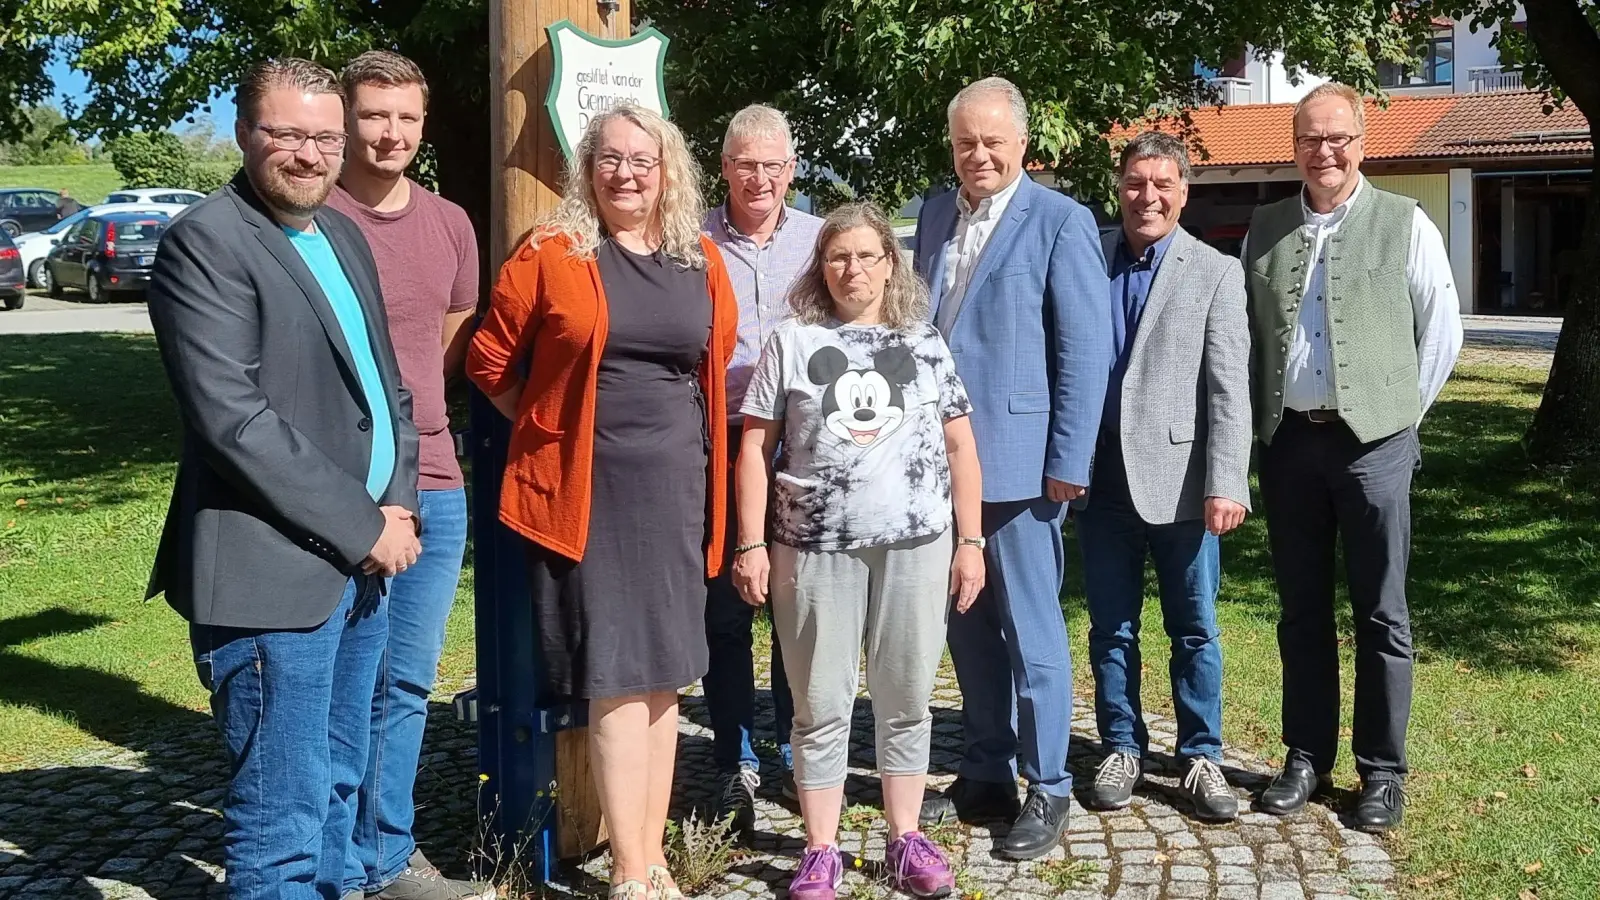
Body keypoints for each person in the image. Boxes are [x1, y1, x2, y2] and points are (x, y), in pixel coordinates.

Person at [145, 58, 421, 900]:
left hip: (363, 564)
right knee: (281, 818)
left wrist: (400, 500)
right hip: (273, 581)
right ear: (244, 133)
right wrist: (364, 522)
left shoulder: (340, 233)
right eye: (288, 134)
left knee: (339, 789)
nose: (309, 155)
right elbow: (236, 419)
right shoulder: (206, 241)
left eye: (325, 138)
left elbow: (388, 386)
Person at [466, 104, 738, 900]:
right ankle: (628, 872)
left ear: (669, 171)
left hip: (679, 489)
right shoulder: (553, 253)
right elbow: (489, 360)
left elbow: (709, 361)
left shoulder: (702, 260)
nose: (627, 173)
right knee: (619, 678)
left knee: (665, 682)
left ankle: (651, 858)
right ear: (589, 169)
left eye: (642, 160)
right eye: (611, 158)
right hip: (594, 495)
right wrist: (548, 426)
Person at [734, 202, 984, 900]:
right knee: (818, 701)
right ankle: (821, 850)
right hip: (813, 548)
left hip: (917, 543)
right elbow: (753, 448)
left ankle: (905, 839)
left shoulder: (925, 342)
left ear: (889, 263)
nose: (853, 269)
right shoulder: (790, 341)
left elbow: (961, 447)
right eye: (839, 256)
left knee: (906, 695)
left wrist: (970, 541)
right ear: (821, 267)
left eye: (867, 255)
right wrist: (750, 541)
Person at [1243, 83, 1462, 832]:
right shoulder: (1265, 227)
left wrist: (1398, 418)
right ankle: (1305, 756)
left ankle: (1382, 770)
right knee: (1300, 613)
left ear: (1362, 143)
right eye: (1310, 139)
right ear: (1294, 145)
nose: (1324, 151)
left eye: (1338, 138)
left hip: (1376, 445)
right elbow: (1248, 335)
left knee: (1382, 613)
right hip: (1289, 444)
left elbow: (1442, 332)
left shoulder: (1405, 222)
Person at [913, 76, 1113, 859]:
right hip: (939, 466)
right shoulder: (934, 212)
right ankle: (987, 767)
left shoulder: (1060, 222)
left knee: (1031, 634)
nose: (979, 155)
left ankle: (1050, 784)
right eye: (966, 142)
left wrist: (1069, 458)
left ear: (1023, 143)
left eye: (994, 141)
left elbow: (1084, 350)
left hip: (1026, 471)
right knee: (967, 629)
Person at [324, 51, 490, 900]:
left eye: (406, 119)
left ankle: (386, 852)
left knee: (407, 682)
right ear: (346, 119)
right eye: (374, 116)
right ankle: (330, 860)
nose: (390, 134)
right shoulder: (315, 214)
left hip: (433, 474)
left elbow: (450, 336)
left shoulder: (451, 224)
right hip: (341, 483)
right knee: (342, 679)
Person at [1075, 131, 1252, 822]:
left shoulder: (1214, 272)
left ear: (1183, 191)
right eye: (1134, 183)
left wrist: (1227, 480)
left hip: (1182, 483)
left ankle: (1201, 754)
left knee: (1195, 628)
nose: (1146, 196)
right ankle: (1121, 744)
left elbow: (1228, 388)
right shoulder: (1085, 255)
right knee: (1110, 628)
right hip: (1100, 480)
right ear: (1118, 187)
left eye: (1162, 185)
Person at [700, 103, 820, 827]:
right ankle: (733, 756)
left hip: (803, 441)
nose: (760, 178)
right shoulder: (691, 238)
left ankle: (791, 748)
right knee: (728, 599)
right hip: (718, 437)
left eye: (773, 165)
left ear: (792, 171)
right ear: (724, 168)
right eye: (746, 163)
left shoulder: (817, 239)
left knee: (798, 603)